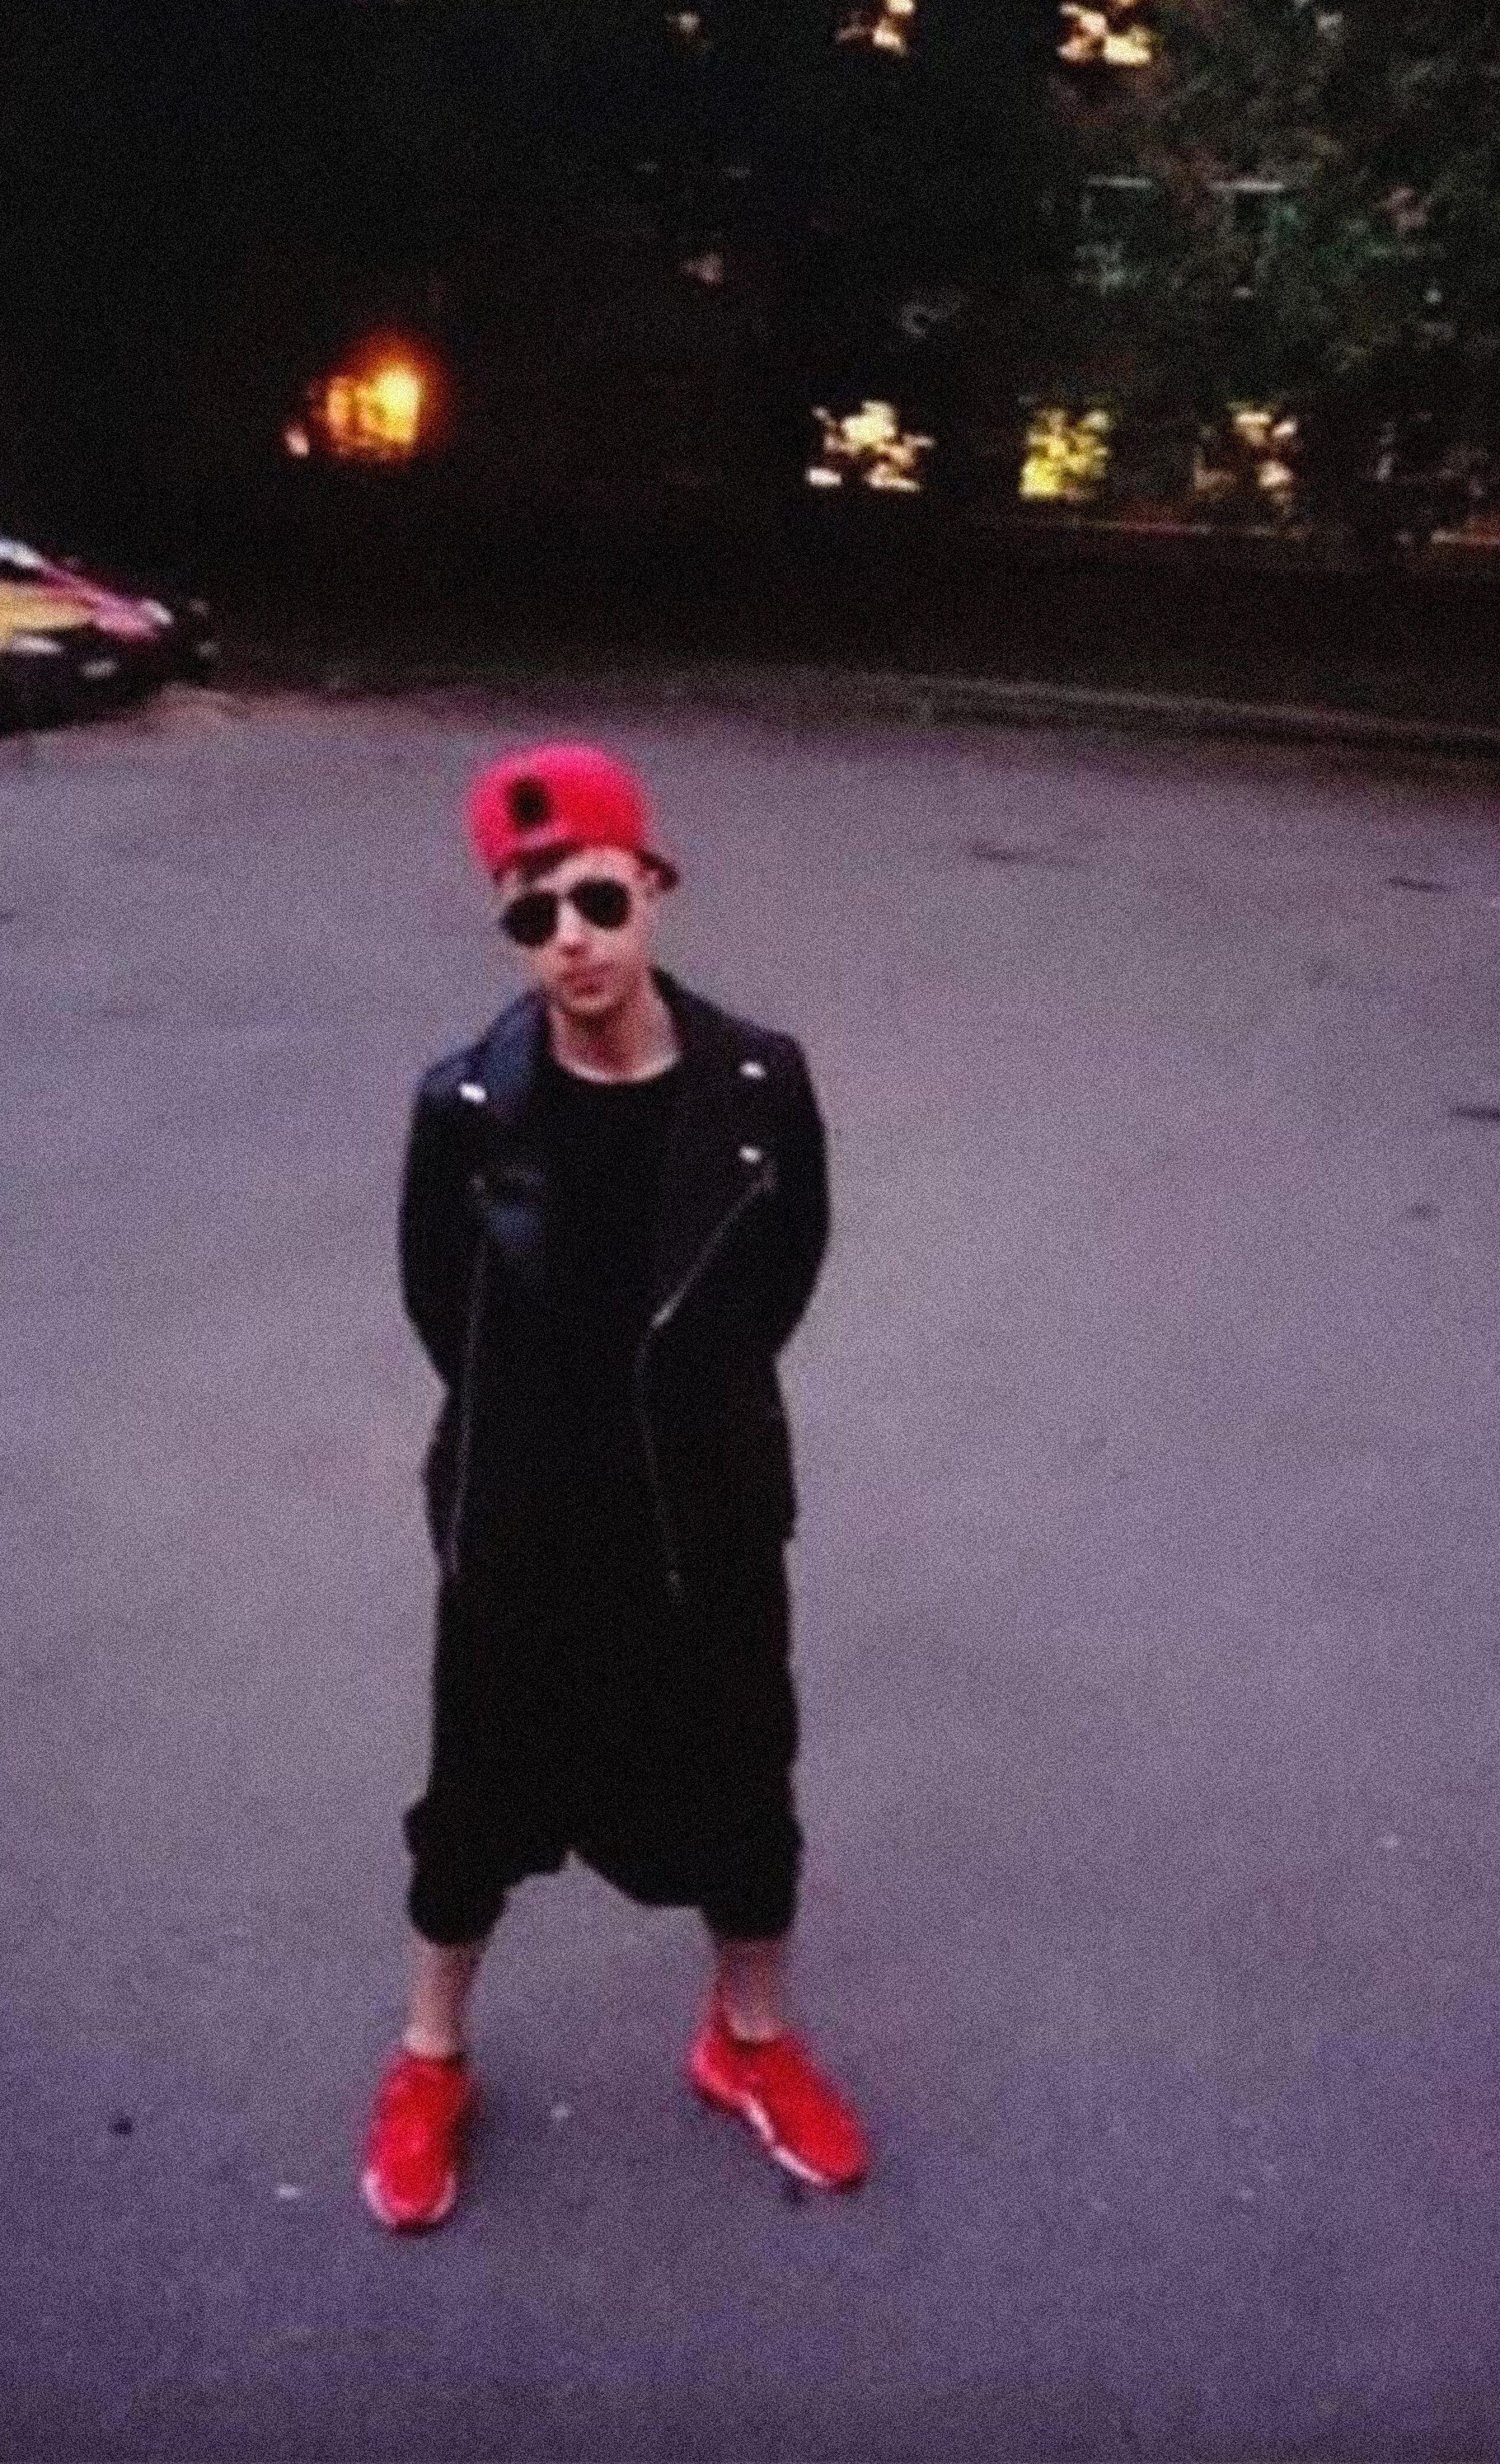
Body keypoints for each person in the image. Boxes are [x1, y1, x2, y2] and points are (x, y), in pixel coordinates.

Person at [360, 740, 868, 2230]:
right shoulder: (464, 1106)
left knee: (744, 1786)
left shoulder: (761, 1082)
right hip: (521, 1516)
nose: (571, 939)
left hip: (705, 1510)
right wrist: (540, 1433)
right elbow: (439, 1307)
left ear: (651, 885)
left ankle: (747, 2040)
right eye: (533, 916)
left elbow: (779, 1277)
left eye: (595, 898)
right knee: (474, 1804)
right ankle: (431, 2057)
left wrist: (684, 1405)